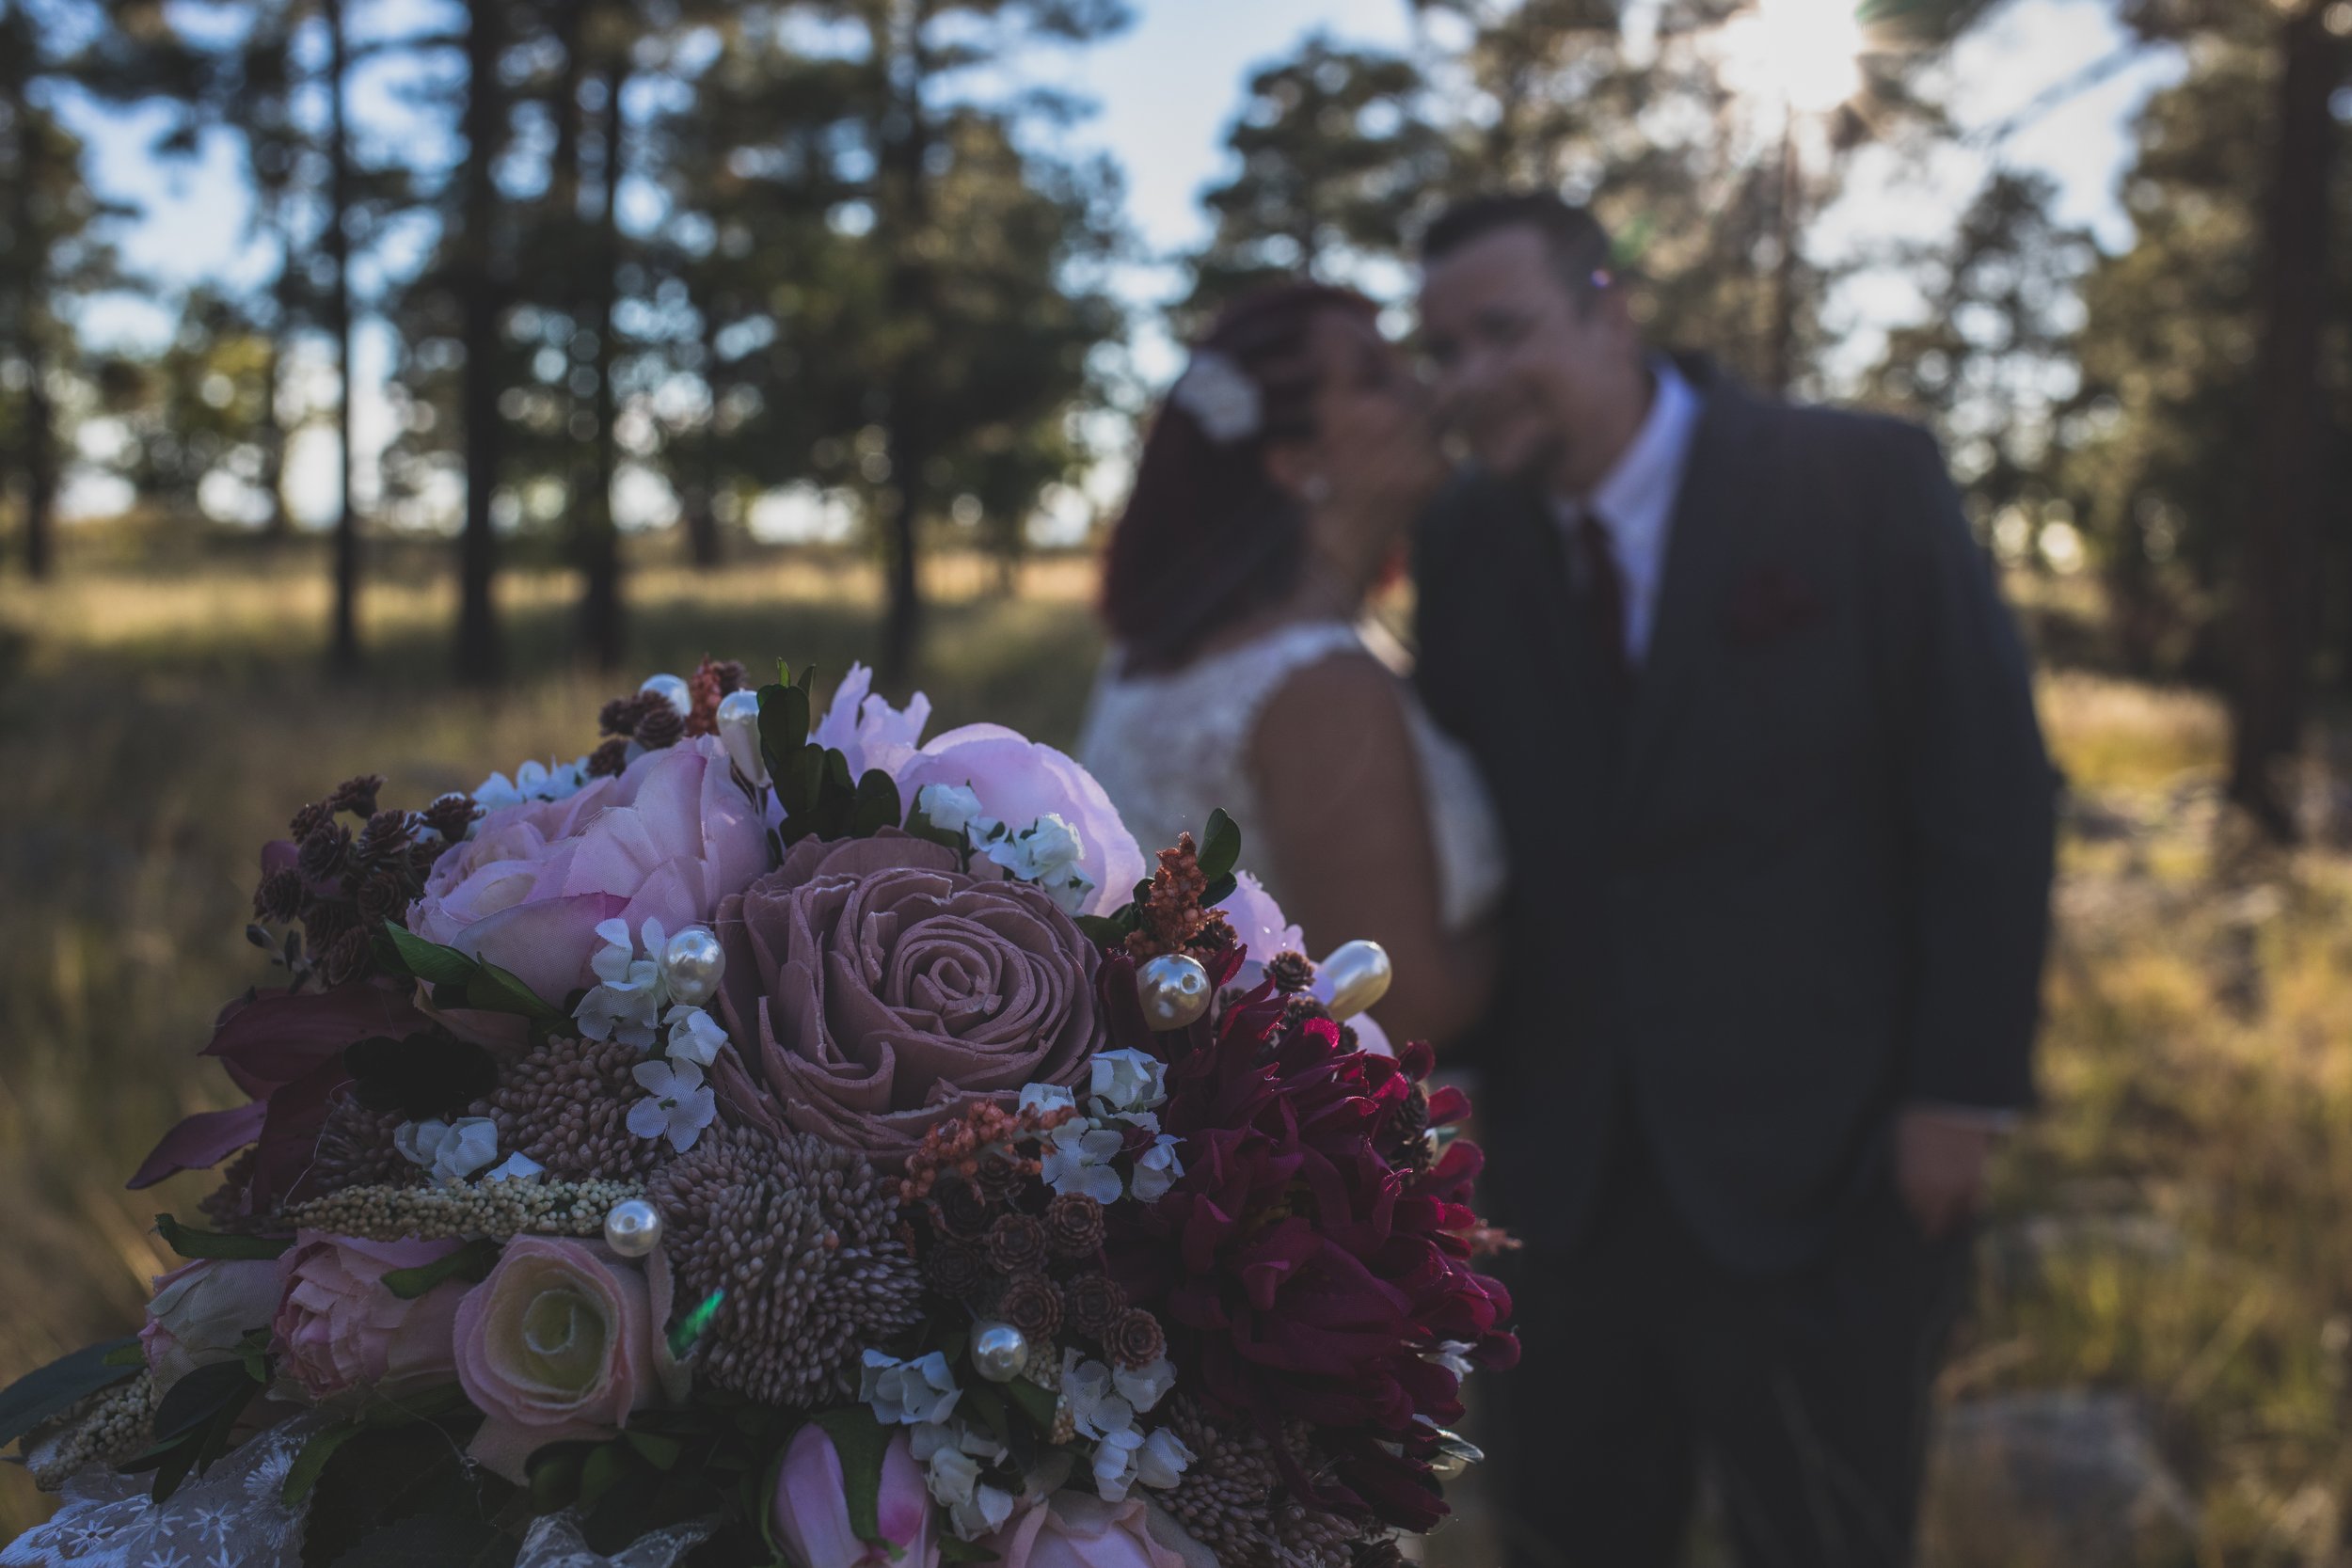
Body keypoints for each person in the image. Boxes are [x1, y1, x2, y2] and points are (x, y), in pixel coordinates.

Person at [1411, 193, 2057, 1567]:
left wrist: (1961, 1089)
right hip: (1560, 1194)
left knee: (1825, 1532)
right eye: (1441, 351)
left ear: (1610, 305)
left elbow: (1987, 791)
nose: (1467, 381)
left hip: (1830, 1170)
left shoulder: (1861, 479)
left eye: (1500, 331)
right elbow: (1470, 838)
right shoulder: (1464, 544)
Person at [1078, 281, 1502, 1047]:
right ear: (1296, 460)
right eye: (1375, 376)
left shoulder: (1158, 651)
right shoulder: (1321, 688)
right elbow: (1399, 1006)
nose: (1427, 393)